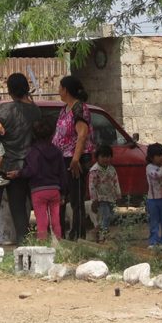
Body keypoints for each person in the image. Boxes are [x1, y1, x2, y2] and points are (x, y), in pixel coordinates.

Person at [0, 73, 41, 246]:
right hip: (18, 169)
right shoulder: (36, 111)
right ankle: (24, 247)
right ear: (26, 88)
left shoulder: (6, 109)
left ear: (9, 90)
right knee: (19, 209)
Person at [9, 119, 68, 240]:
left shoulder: (33, 152)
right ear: (52, 134)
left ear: (34, 135)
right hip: (54, 189)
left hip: (38, 190)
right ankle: (58, 244)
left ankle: (43, 245)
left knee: (42, 221)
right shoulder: (57, 151)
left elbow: (32, 170)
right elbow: (63, 173)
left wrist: (18, 173)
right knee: (56, 220)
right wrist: (63, 192)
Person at [52, 75, 95, 240]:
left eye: (60, 88)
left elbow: (82, 134)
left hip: (74, 159)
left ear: (66, 90)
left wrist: (75, 159)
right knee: (61, 198)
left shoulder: (79, 108)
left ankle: (77, 236)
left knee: (76, 200)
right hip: (62, 159)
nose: (58, 91)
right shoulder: (65, 109)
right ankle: (60, 234)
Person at [88, 144, 121, 243]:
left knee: (110, 216)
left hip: (111, 197)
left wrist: (118, 195)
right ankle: (103, 237)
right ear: (97, 157)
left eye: (108, 157)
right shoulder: (94, 170)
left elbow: (116, 182)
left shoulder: (112, 169)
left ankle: (97, 231)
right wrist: (94, 200)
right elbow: (92, 186)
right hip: (100, 198)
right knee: (105, 216)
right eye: (103, 157)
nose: (106, 159)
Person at [145, 142, 162, 251]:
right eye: (159, 156)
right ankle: (153, 241)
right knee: (154, 221)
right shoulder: (149, 167)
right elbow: (156, 175)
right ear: (152, 157)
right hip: (153, 199)